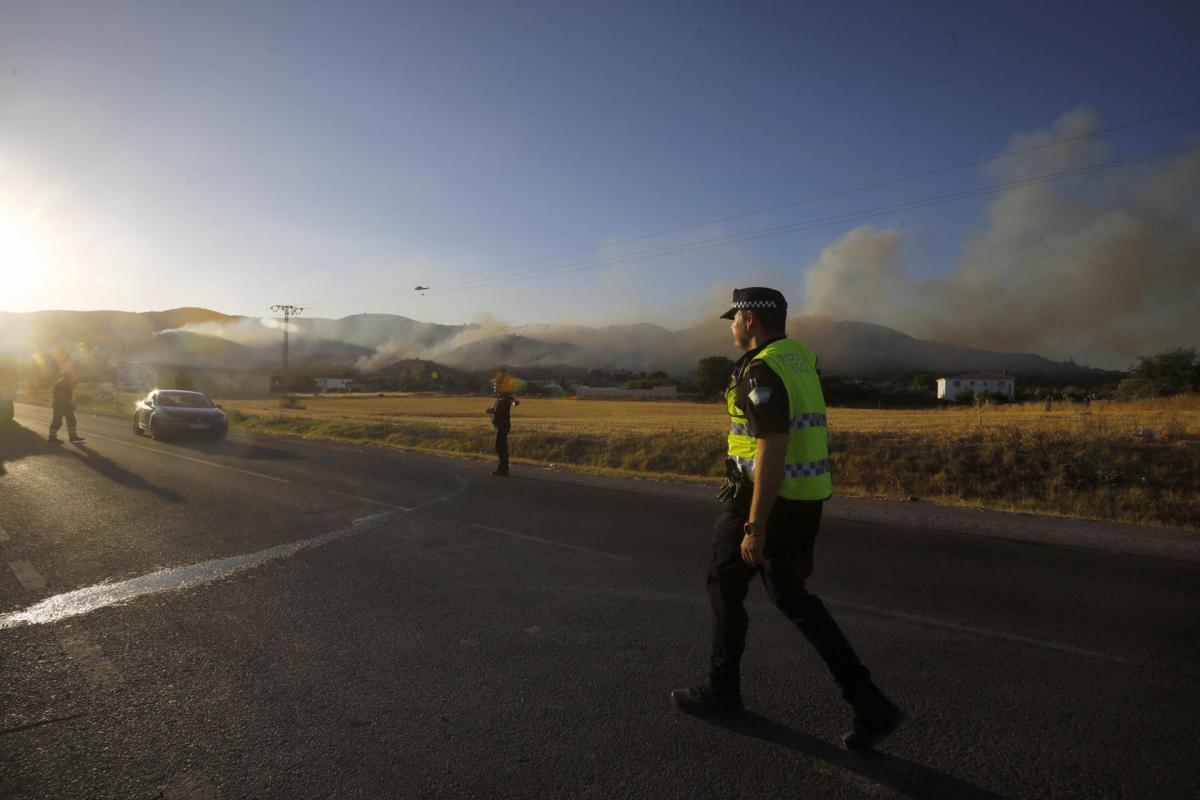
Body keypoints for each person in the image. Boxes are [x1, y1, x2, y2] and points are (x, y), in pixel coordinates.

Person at [671, 287, 904, 753]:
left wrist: (754, 525)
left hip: (761, 502)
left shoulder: (762, 368)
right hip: (806, 498)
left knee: (724, 586)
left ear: (751, 319)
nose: (731, 327)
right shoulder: (801, 358)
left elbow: (771, 444)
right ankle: (868, 701)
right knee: (794, 597)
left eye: (733, 319)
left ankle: (723, 690)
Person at [486, 373, 519, 476]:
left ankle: (503, 469)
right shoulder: (499, 398)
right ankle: (503, 469)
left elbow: (513, 401)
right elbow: (493, 408)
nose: (494, 387)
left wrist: (515, 403)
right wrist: (490, 410)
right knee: (500, 447)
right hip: (500, 425)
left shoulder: (505, 397)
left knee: (500, 447)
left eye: (495, 385)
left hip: (503, 426)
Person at [48, 369, 84, 444]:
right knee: (57, 422)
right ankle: (52, 438)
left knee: (71, 420)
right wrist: (66, 402)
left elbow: (70, 394)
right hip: (60, 405)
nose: (72, 376)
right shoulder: (61, 383)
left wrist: (71, 403)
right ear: (66, 375)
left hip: (66, 404)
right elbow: (59, 394)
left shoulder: (67, 383)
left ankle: (72, 436)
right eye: (70, 375)